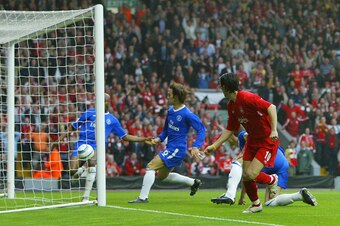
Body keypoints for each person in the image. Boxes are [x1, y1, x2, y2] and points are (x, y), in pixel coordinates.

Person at [204, 72, 279, 214]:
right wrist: (214, 146)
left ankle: (271, 179)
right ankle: (256, 204)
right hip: (252, 140)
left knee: (251, 174)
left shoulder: (247, 97)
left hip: (266, 140)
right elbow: (229, 130)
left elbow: (271, 107)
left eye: (221, 86)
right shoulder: (231, 105)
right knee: (245, 174)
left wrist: (274, 130)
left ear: (225, 87)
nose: (220, 88)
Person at [59, 93, 151, 201]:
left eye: (104, 101)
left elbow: (125, 136)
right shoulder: (89, 112)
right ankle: (80, 172)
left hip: (96, 145)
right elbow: (73, 126)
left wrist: (143, 139)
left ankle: (85, 197)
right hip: (81, 143)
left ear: (108, 103)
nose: (101, 102)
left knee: (92, 164)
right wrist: (60, 139)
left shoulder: (112, 120)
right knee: (72, 171)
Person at [129, 82, 206, 203]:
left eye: (169, 94)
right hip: (170, 148)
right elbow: (166, 130)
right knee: (161, 177)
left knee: (150, 166)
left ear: (176, 97)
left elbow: (202, 129)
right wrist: (157, 139)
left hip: (177, 149)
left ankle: (143, 197)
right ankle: (193, 182)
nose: (167, 96)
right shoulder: (170, 111)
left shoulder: (187, 114)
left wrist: (195, 146)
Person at [211, 131, 317, 207]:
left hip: (270, 159)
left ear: (230, 138)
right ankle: (299, 195)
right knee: (270, 202)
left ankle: (232, 194)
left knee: (247, 171)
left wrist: (242, 198)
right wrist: (242, 197)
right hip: (281, 162)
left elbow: (248, 136)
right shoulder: (243, 145)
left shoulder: (241, 136)